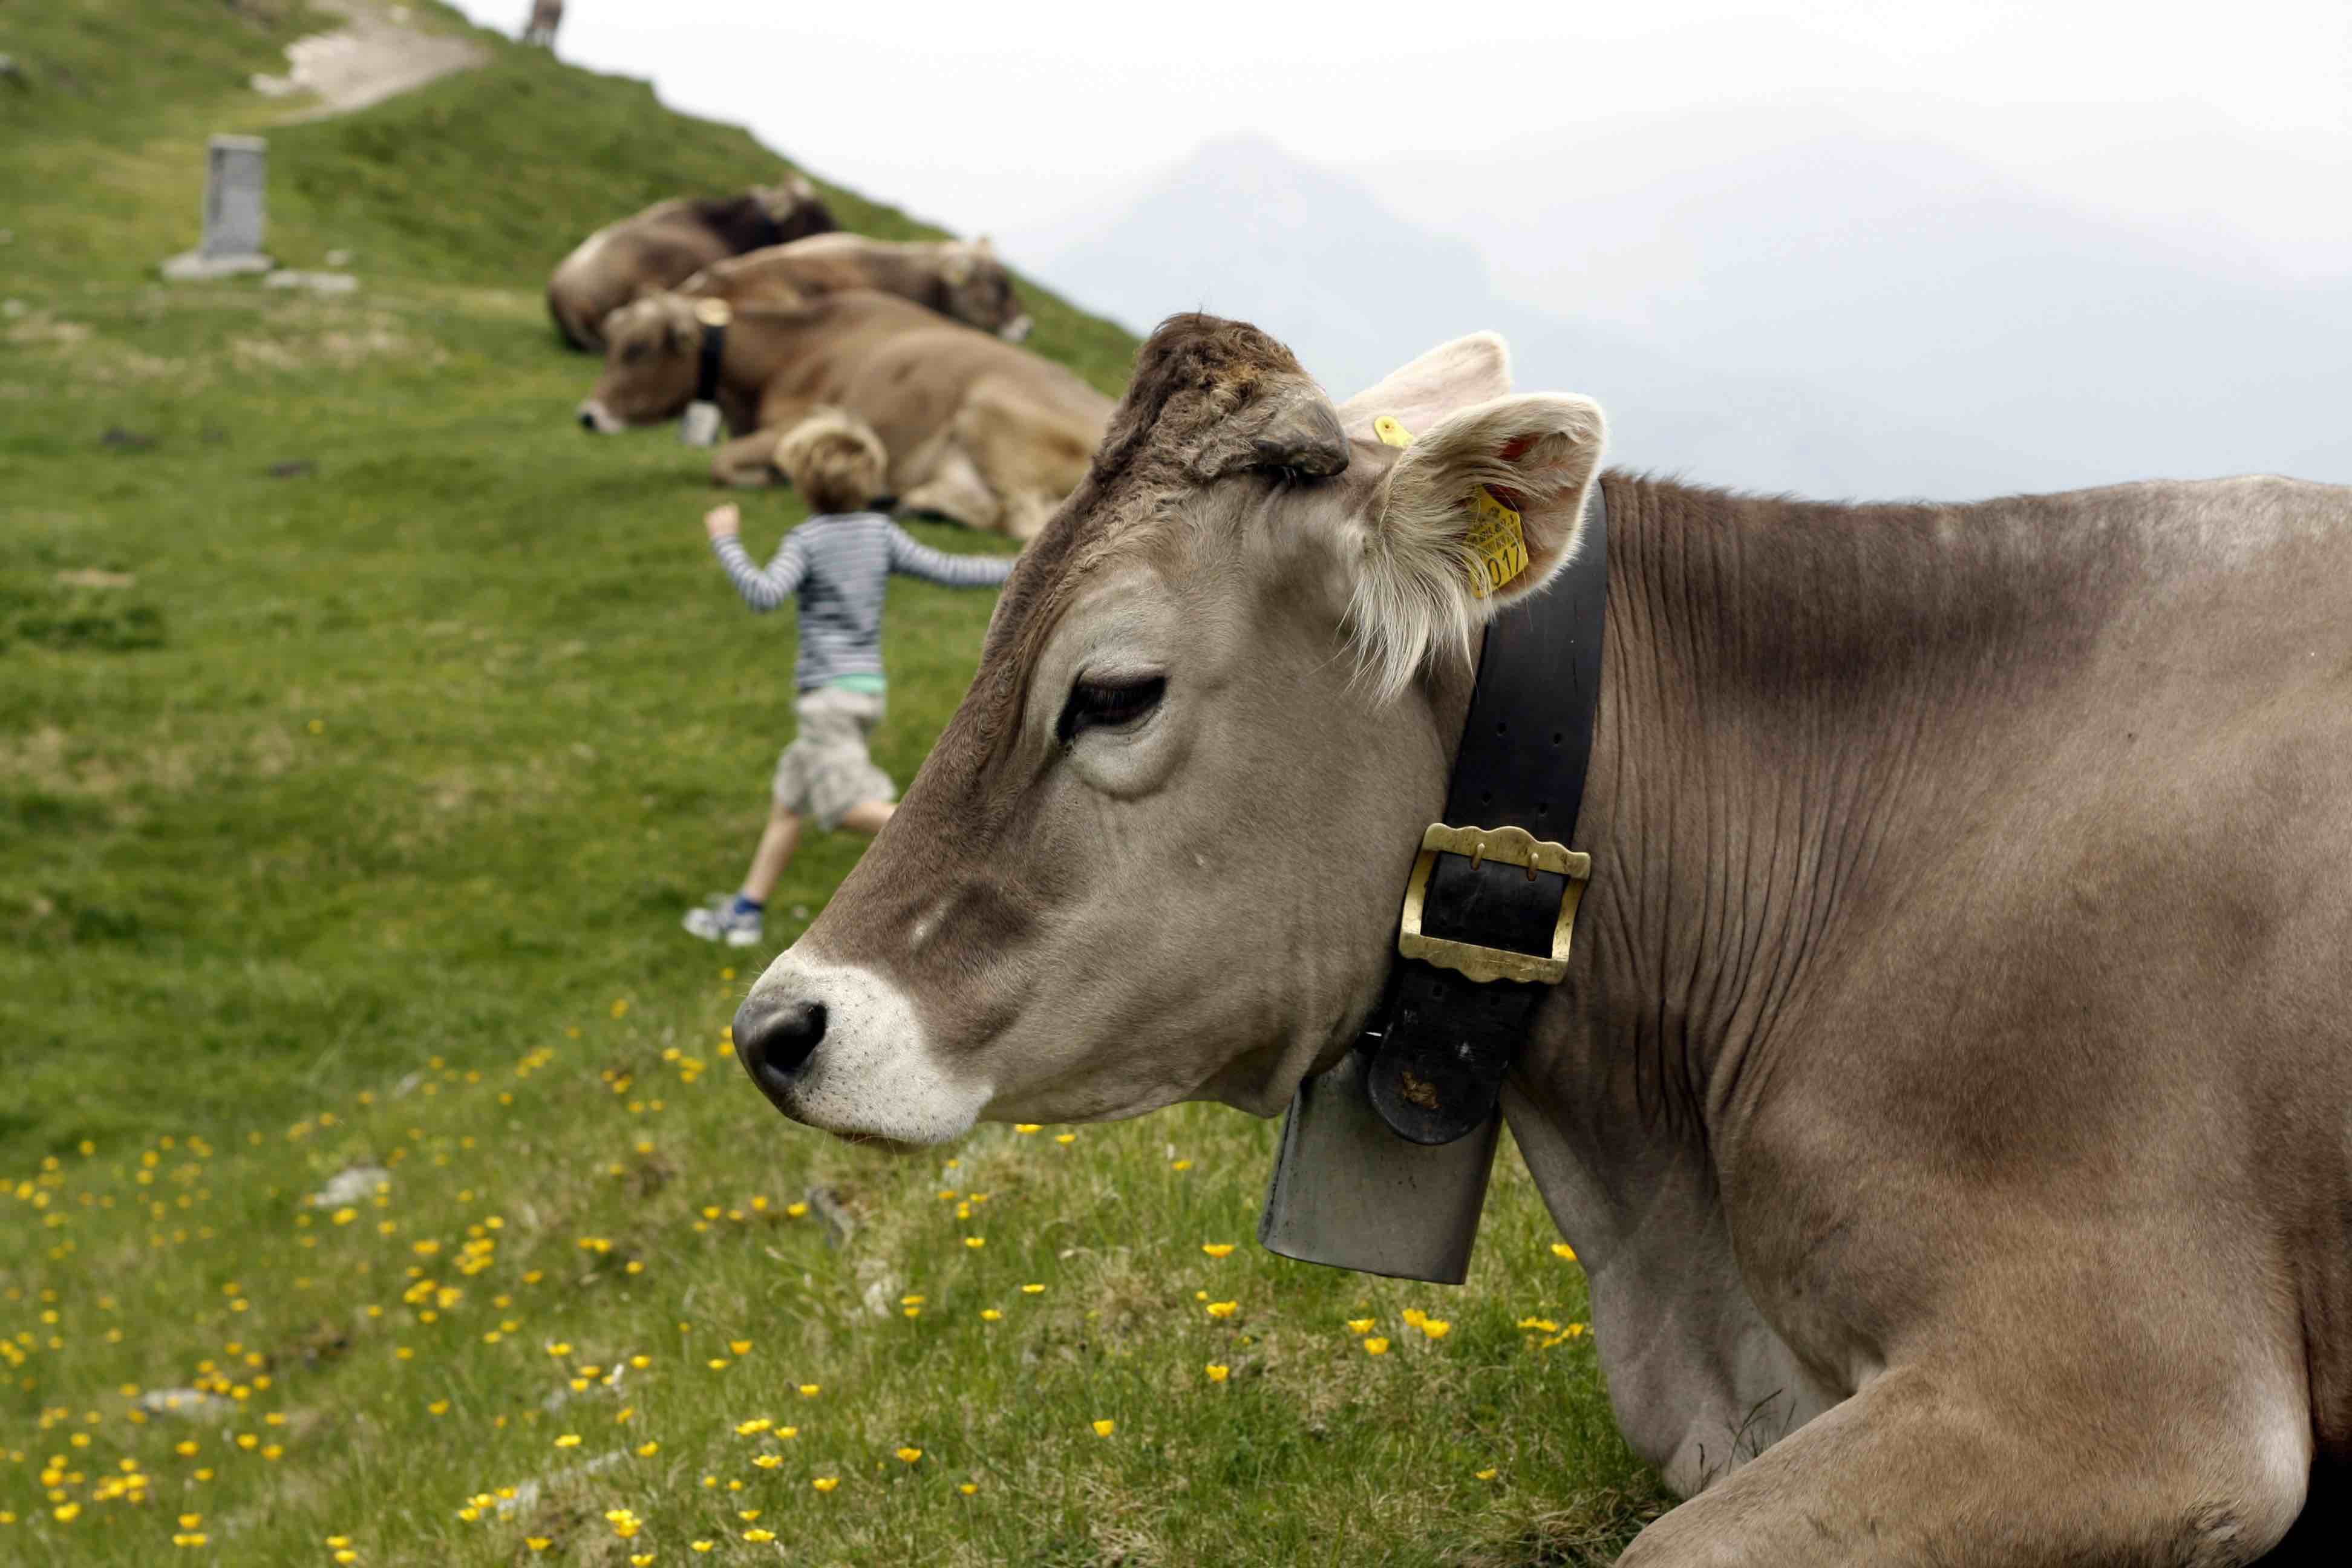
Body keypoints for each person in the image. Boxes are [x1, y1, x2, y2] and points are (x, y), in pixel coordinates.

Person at [684, 409, 1016, 947]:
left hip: (827, 701)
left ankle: (961, 851)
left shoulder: (807, 540)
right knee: (790, 802)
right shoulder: (879, 533)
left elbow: (764, 594)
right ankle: (746, 911)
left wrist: (727, 540)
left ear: (804, 483)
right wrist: (1021, 564)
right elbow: (950, 570)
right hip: (865, 693)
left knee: (844, 808)